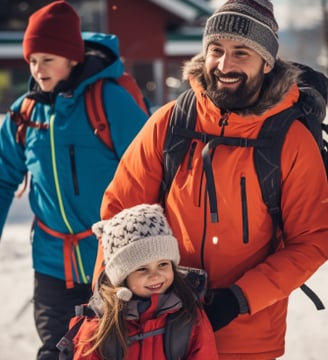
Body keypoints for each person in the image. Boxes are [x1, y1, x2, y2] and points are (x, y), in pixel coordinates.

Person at [92, 0, 328, 359]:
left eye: (241, 53)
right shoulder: (172, 122)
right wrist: (105, 297)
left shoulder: (290, 139)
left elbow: (312, 239)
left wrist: (240, 299)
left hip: (248, 337)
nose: (224, 64)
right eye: (216, 50)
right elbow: (120, 214)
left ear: (267, 62)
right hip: (161, 328)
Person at [0, 1, 149, 359]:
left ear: (71, 57)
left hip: (113, 263)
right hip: (53, 263)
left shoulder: (109, 100)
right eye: (32, 60)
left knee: (113, 351)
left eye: (48, 59)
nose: (38, 69)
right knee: (56, 351)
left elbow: (152, 171)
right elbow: (3, 179)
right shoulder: (25, 113)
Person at [66, 203, 218, 359]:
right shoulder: (100, 325)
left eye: (163, 264)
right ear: (122, 277)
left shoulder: (188, 313)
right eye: (142, 269)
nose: (156, 275)